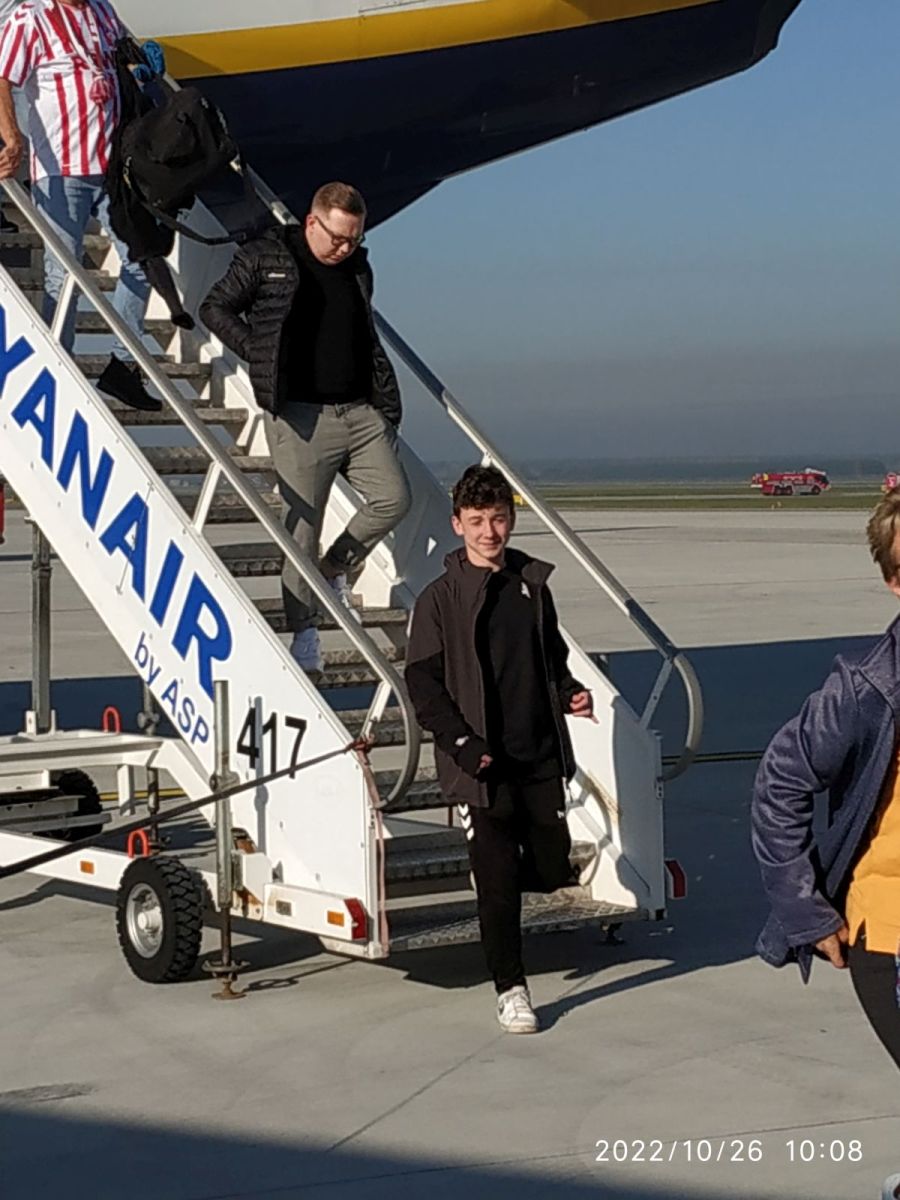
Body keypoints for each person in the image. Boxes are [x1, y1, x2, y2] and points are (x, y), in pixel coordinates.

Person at [405, 465, 595, 1034]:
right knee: (498, 882)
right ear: (457, 524)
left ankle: (499, 884)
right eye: (477, 521)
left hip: (538, 753)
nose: (489, 532)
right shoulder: (439, 600)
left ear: (511, 519)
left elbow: (551, 656)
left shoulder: (532, 586)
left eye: (498, 519)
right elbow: (423, 685)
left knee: (552, 864)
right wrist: (462, 743)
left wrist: (568, 692)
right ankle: (511, 988)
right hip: (482, 764)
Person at [200, 181, 410, 679]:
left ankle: (333, 569)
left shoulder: (358, 267)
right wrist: (258, 352)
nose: (345, 248)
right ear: (312, 222)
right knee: (301, 529)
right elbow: (215, 308)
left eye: (355, 239)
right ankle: (305, 632)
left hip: (359, 411)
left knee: (394, 499)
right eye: (338, 238)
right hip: (300, 417)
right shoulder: (266, 256)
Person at [752, 488, 900, 1071]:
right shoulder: (868, 688)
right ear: (895, 581)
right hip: (891, 932)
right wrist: (805, 910)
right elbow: (779, 784)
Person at [0, 0, 159, 411]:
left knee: (142, 258)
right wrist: (12, 137)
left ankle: (123, 366)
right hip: (61, 169)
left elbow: (121, 60)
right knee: (64, 274)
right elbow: (3, 78)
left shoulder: (102, 10)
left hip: (112, 166)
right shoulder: (30, 16)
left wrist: (141, 67)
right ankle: (57, 370)